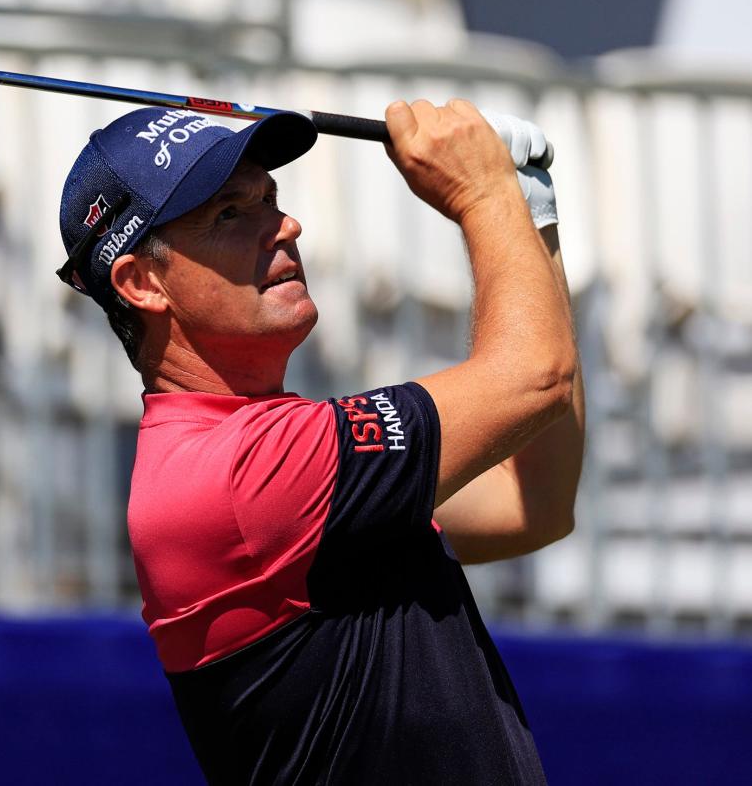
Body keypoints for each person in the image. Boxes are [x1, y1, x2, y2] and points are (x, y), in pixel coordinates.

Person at [56, 101, 585, 784]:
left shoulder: (267, 450)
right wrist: (484, 193)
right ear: (142, 283)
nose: (285, 225)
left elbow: (532, 501)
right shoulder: (234, 473)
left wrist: (530, 217)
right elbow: (536, 377)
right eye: (229, 214)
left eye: (269, 199)